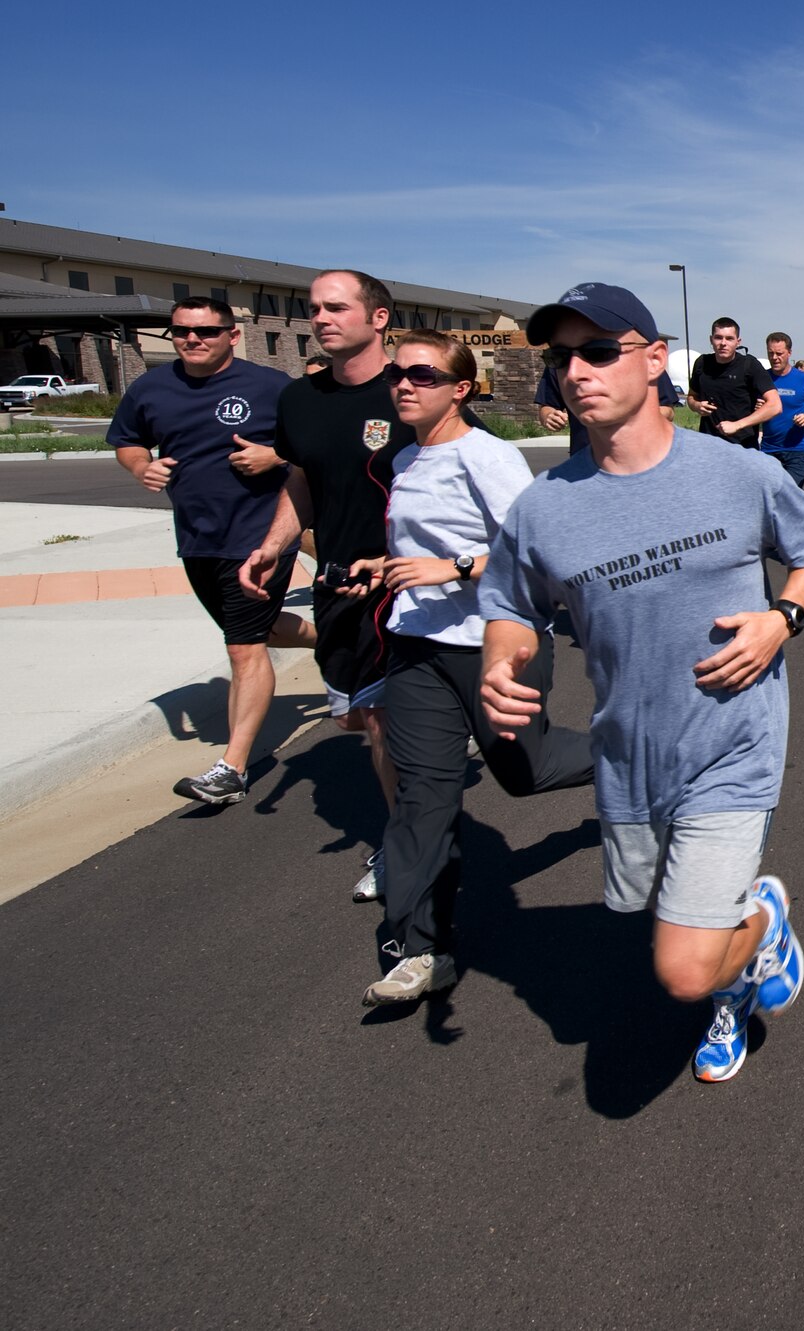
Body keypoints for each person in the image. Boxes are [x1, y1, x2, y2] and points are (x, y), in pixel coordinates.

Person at [481, 282, 804, 1084]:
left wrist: (782, 617)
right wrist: (503, 662)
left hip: (733, 741)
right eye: (561, 357)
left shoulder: (734, 473)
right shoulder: (543, 509)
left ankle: (750, 944)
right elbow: (508, 604)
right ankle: (742, 952)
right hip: (629, 753)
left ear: (650, 360)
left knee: (681, 965)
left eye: (598, 351)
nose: (576, 370)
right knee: (663, 910)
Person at [341, 332, 595, 1005]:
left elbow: (539, 551)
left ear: (460, 389)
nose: (404, 384)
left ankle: (629, 747)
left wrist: (450, 567)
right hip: (417, 647)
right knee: (423, 793)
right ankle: (421, 948)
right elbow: (424, 546)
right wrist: (386, 568)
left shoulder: (487, 456)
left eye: (422, 374)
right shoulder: (404, 458)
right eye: (397, 374)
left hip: (494, 641)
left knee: (524, 771)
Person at [240, 270, 412, 902]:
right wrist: (275, 544)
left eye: (336, 307)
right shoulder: (298, 401)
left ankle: (406, 849)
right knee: (356, 718)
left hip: (404, 585)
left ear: (378, 319)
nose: (321, 318)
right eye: (313, 308)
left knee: (379, 719)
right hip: (336, 583)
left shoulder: (414, 392)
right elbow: (302, 480)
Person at [110, 296, 310, 805]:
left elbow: (313, 448)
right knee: (253, 630)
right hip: (198, 537)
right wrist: (140, 467)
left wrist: (275, 454)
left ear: (232, 335)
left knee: (243, 647)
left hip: (261, 536)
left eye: (206, 332)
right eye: (180, 332)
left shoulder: (271, 388)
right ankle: (333, 642)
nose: (192, 340)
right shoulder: (151, 388)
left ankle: (231, 769)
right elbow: (128, 440)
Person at [536, 362, 679, 453]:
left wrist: (630, 416)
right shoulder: (560, 361)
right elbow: (547, 406)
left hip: (641, 459)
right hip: (583, 460)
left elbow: (668, 410)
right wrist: (549, 416)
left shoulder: (639, 358)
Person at [687, 317, 780, 447]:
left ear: (738, 341)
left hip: (742, 447)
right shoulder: (702, 363)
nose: (723, 343)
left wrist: (737, 425)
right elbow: (691, 396)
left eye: (729, 338)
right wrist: (696, 405)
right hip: (709, 447)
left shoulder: (749, 365)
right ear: (711, 339)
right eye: (718, 337)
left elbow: (775, 405)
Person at [759, 332, 804, 488]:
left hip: (797, 449)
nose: (774, 357)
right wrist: (757, 408)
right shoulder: (762, 378)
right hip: (769, 449)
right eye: (770, 353)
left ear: (789, 352)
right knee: (771, 495)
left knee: (789, 492)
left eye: (779, 353)